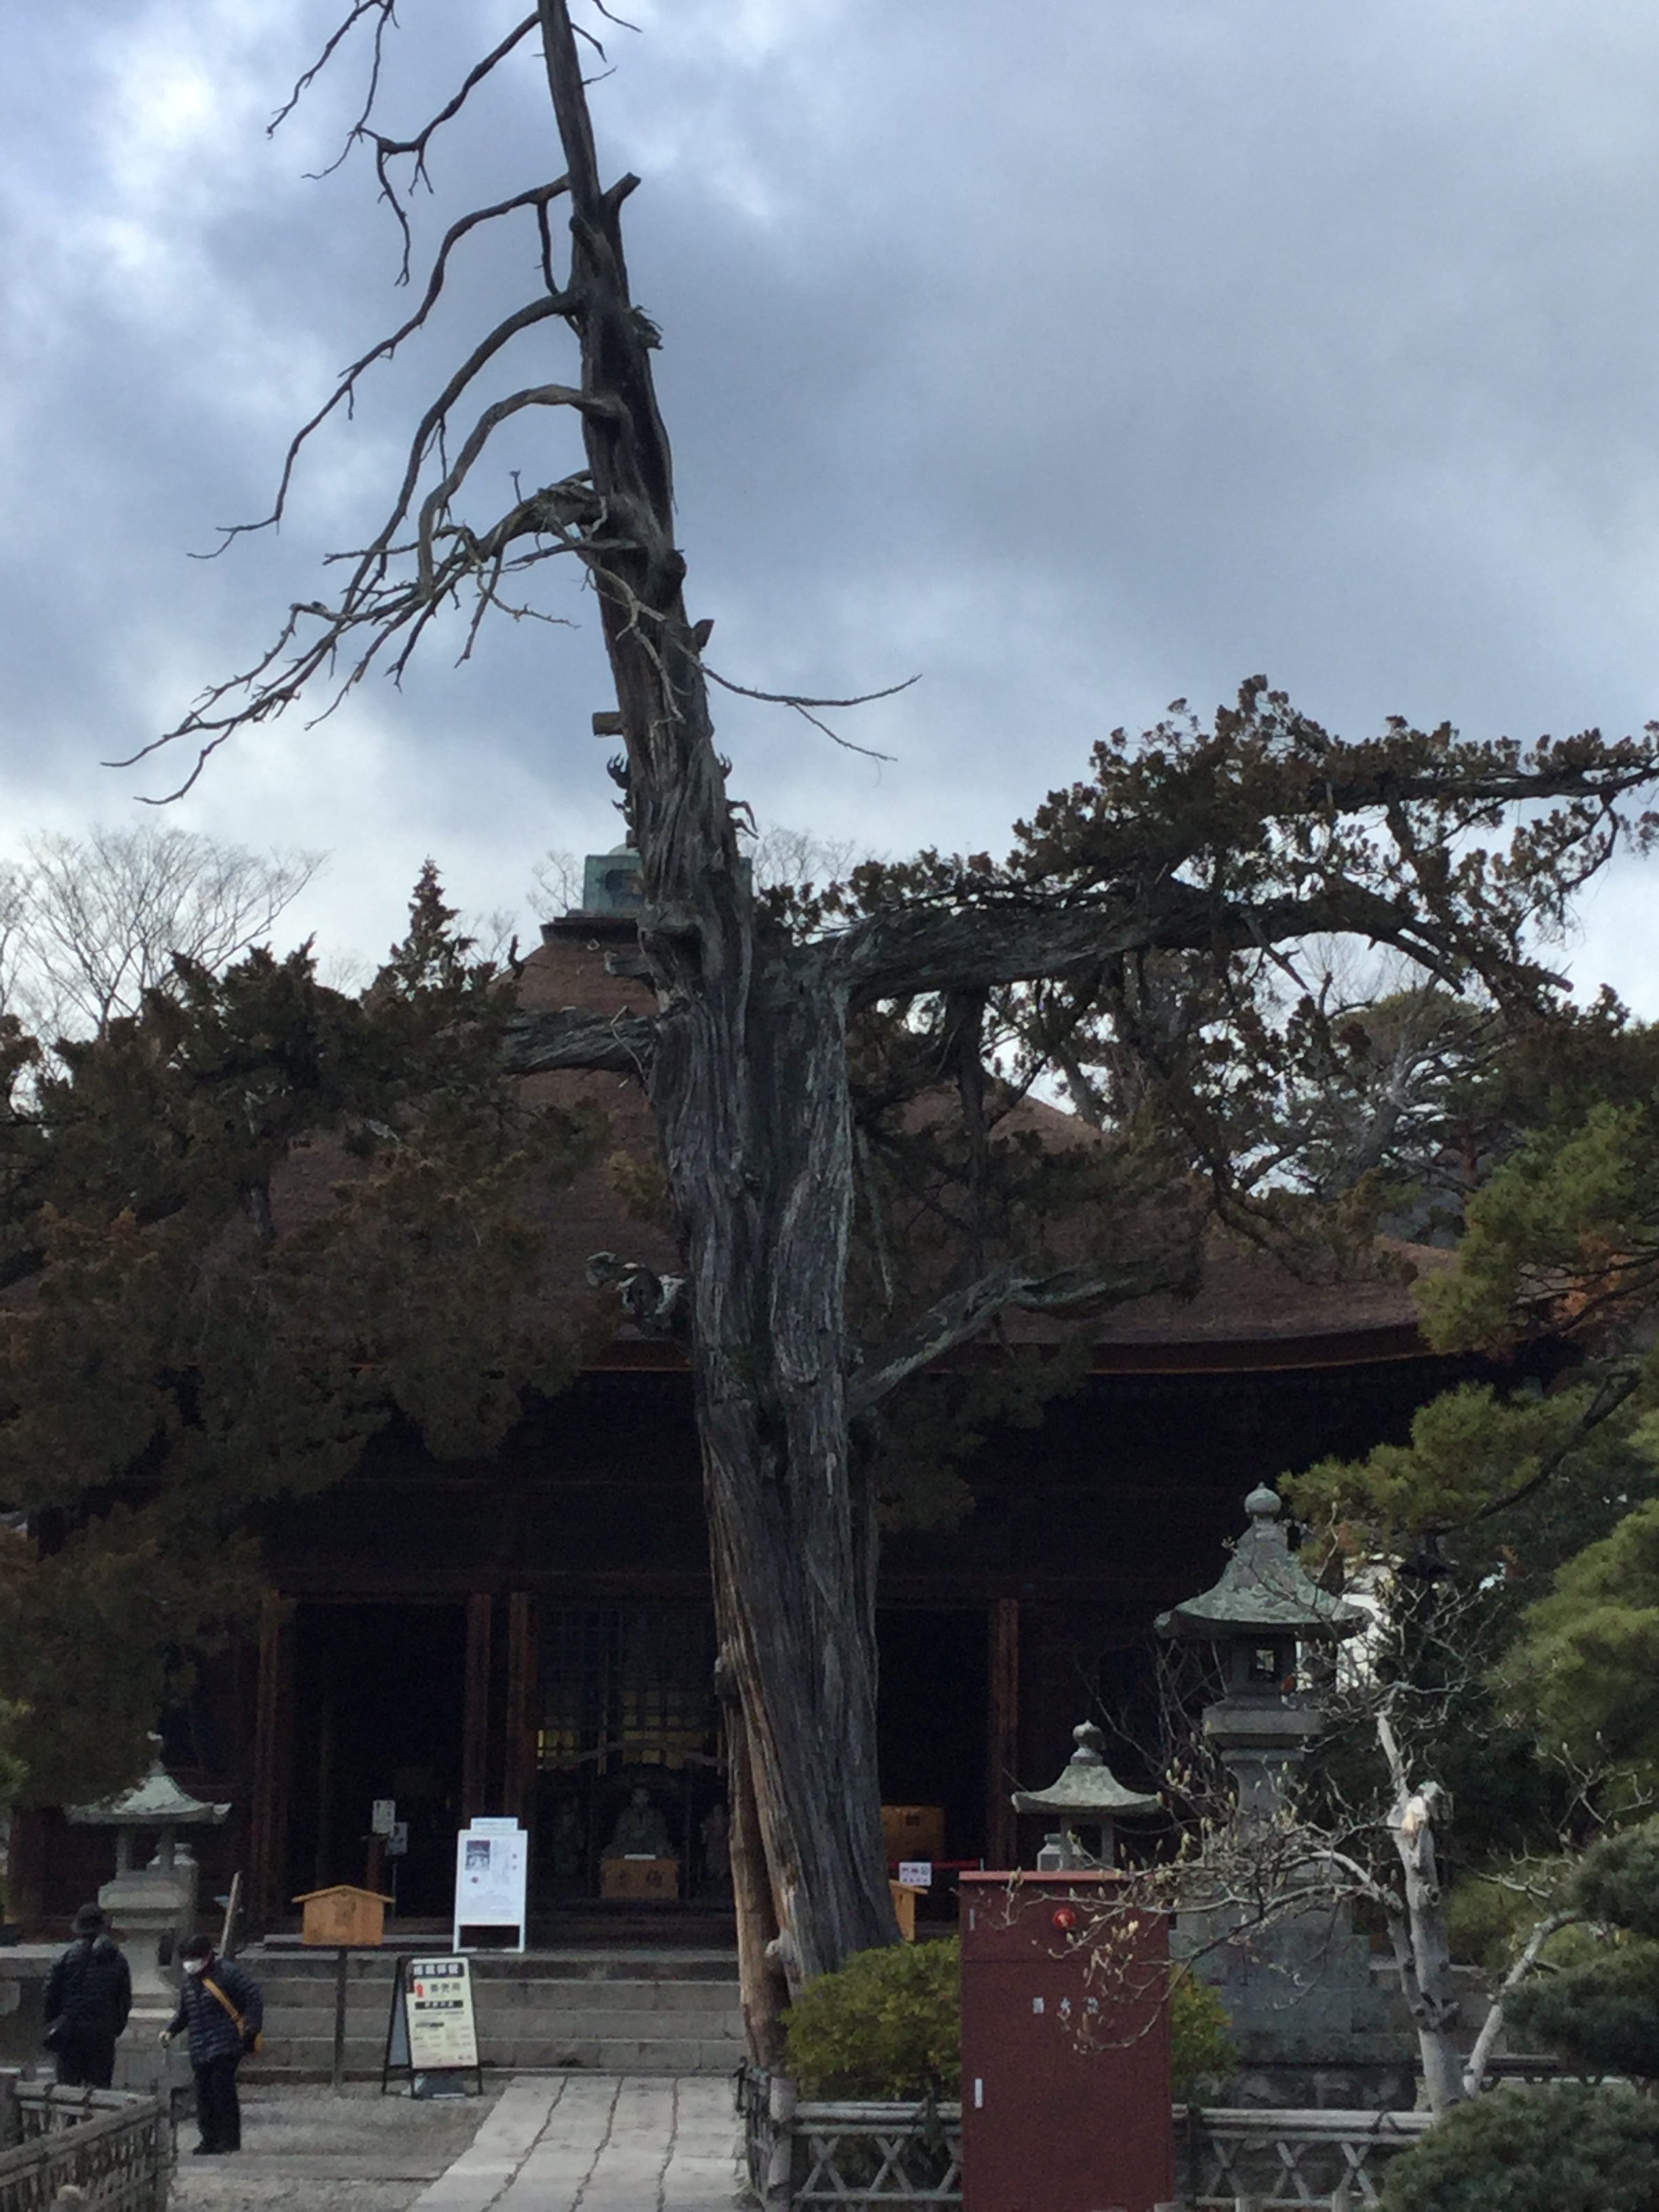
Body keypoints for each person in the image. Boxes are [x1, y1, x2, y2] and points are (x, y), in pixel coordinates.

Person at [159, 1934, 263, 2156]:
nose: (190, 1963)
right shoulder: (189, 1982)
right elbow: (185, 2013)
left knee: (222, 2091)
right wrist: (171, 2030)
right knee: (204, 2095)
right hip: (200, 2045)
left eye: (194, 1958)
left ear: (207, 1956)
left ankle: (228, 2139)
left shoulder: (227, 1973)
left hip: (225, 2042)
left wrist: (252, 2028)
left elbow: (253, 1995)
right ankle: (208, 2138)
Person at [44, 1904, 132, 2088]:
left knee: (68, 2090)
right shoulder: (118, 1960)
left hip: (70, 2031)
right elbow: (124, 1999)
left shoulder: (66, 1957)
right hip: (102, 2032)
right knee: (100, 2089)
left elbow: (50, 1995)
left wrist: (54, 2023)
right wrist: (115, 2027)